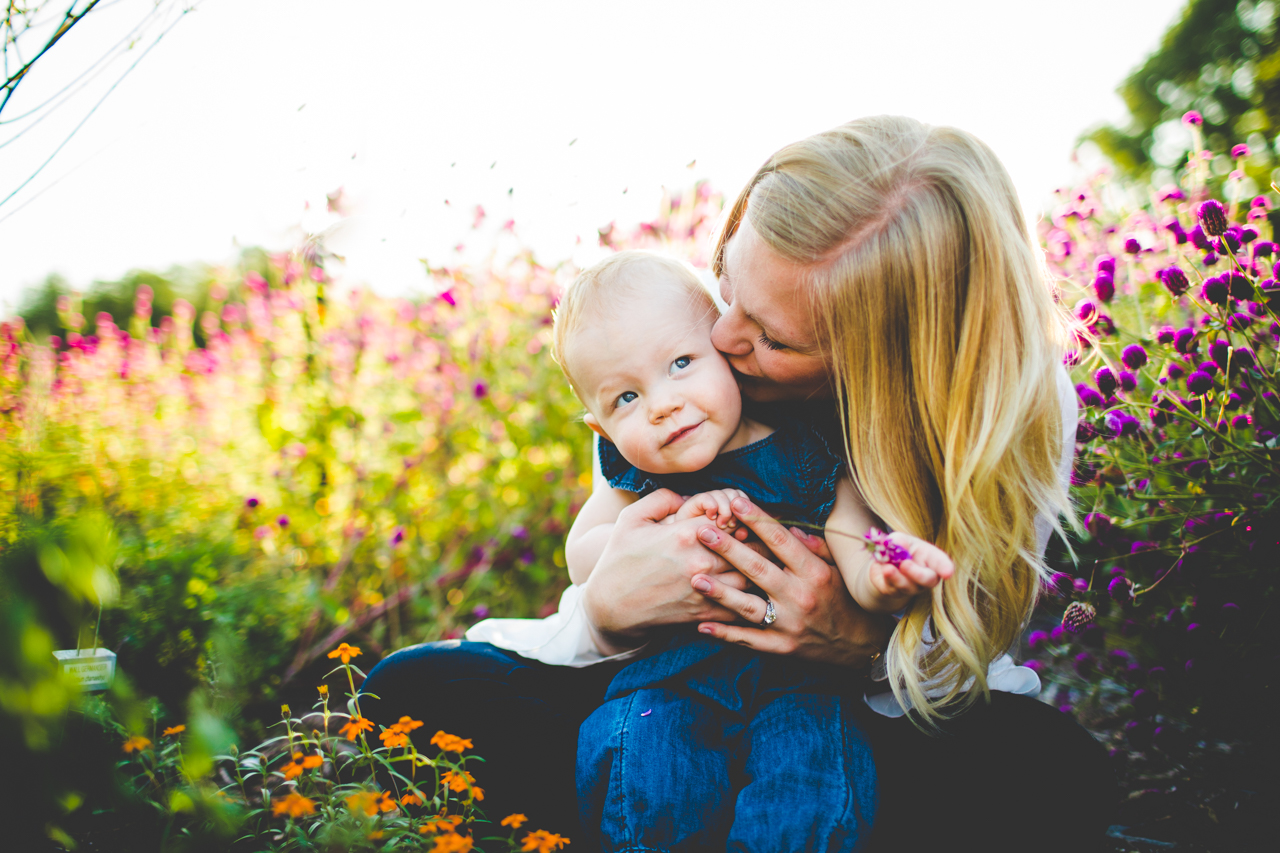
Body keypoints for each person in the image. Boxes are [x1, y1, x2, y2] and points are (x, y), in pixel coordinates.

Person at [360, 116, 1115, 850]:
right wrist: (608, 612)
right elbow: (602, 541)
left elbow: (963, 644)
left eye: (773, 338)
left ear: (874, 362)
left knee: (1045, 769)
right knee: (415, 688)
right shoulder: (680, 358)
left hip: (845, 711)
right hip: (663, 685)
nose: (721, 338)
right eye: (727, 287)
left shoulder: (1010, 406)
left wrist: (858, 643)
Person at [549, 249, 952, 850]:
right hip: (669, 681)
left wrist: (883, 576)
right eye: (625, 399)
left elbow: (851, 536)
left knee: (808, 783)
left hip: (804, 681)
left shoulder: (805, 450)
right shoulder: (633, 478)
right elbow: (584, 552)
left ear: (729, 359)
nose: (661, 404)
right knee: (648, 773)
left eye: (681, 363)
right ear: (601, 429)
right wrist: (645, 541)